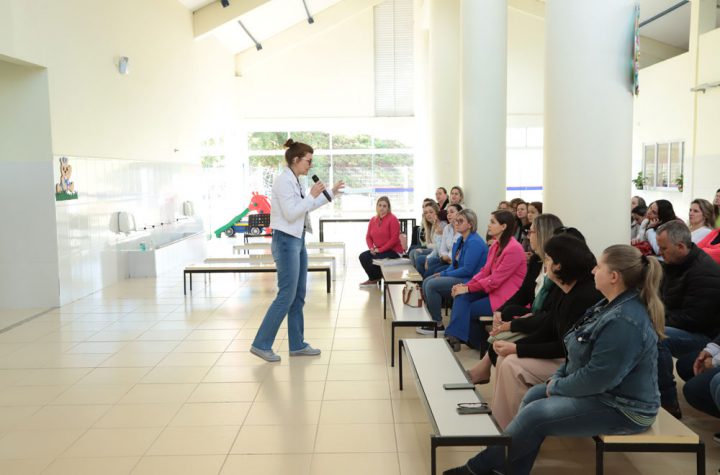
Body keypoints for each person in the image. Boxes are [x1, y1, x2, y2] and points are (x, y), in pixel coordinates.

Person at [443, 245, 665, 475]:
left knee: (535, 416)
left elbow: (598, 378)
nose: (593, 271)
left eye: (599, 267)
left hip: (624, 408)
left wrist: (557, 386)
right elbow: (575, 351)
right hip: (604, 393)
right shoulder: (608, 305)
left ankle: (476, 468)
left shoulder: (625, 321)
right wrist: (557, 379)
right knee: (533, 397)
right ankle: (509, 470)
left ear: (614, 277)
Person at [484, 233, 602, 429]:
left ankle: (511, 429)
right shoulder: (565, 289)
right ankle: (504, 424)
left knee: (512, 365)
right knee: (506, 359)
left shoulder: (584, 296)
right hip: (566, 358)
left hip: (577, 366)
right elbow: (549, 328)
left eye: (547, 259)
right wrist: (514, 346)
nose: (544, 263)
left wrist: (518, 349)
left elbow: (564, 347)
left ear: (559, 265)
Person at [250, 139, 345, 363]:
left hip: (297, 239)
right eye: (308, 161)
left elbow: (305, 208)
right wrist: (311, 195)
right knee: (286, 295)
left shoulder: (295, 180)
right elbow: (292, 213)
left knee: (298, 294)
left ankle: (297, 344)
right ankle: (261, 344)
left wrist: (329, 194)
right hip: (286, 241)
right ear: (295, 159)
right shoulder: (283, 181)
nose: (310, 165)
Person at [465, 214, 564, 384]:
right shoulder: (536, 261)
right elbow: (524, 292)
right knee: (497, 325)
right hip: (534, 315)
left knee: (498, 336)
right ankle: (482, 368)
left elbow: (547, 314)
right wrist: (500, 311)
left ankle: (482, 368)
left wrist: (512, 321)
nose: (528, 236)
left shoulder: (557, 268)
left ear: (543, 234)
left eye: (531, 232)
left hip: (543, 323)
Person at [653, 220, 720, 418]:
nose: (660, 252)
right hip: (689, 327)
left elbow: (694, 319)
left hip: (705, 335)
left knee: (657, 336)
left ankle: (668, 401)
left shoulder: (704, 271)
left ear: (681, 247)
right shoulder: (675, 264)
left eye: (664, 248)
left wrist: (657, 318)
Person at [445, 210, 527, 353]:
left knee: (468, 309)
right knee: (461, 297)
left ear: (503, 226)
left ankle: (479, 343)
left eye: (492, 222)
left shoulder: (514, 249)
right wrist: (465, 286)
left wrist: (468, 288)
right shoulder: (495, 245)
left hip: (506, 297)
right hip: (492, 290)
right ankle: (460, 338)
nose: (488, 225)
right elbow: (484, 271)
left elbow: (494, 280)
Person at [417, 209, 488, 335]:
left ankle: (437, 324)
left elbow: (467, 270)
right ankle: (433, 319)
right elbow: (454, 264)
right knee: (427, 280)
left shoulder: (475, 242)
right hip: (461, 275)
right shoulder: (460, 240)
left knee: (432, 285)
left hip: (471, 280)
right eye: (456, 221)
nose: (456, 223)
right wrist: (443, 273)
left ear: (470, 224)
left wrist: (444, 274)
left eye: (460, 221)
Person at [358, 196, 404, 287]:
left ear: (388, 208)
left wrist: (380, 250)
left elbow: (394, 239)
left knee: (373, 259)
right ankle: (374, 278)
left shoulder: (393, 219)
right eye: (379, 205)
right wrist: (371, 248)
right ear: (376, 206)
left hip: (394, 251)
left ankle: (377, 277)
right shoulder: (373, 220)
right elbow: (368, 237)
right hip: (379, 249)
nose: (381, 208)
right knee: (363, 256)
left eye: (384, 206)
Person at [423, 203, 461, 277]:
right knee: (429, 268)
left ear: (460, 214)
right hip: (445, 259)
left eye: (452, 212)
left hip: (454, 262)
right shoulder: (447, 228)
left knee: (432, 271)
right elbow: (442, 249)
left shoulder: (462, 230)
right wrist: (445, 257)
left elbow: (458, 251)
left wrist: (448, 257)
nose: (449, 215)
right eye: (448, 213)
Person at [411, 202, 445, 274]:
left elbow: (439, 246)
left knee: (417, 254)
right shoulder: (431, 225)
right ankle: (417, 276)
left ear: (437, 212)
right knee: (413, 252)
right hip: (435, 249)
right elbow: (428, 243)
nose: (428, 215)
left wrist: (428, 255)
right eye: (426, 213)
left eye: (431, 212)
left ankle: (421, 277)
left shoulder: (442, 225)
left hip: (439, 252)